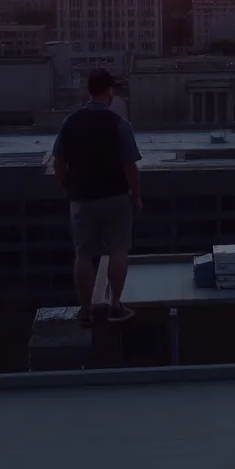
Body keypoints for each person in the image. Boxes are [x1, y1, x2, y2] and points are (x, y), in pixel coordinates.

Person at [51, 69, 142, 326]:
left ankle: (86, 310)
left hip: (81, 198)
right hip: (115, 196)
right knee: (118, 249)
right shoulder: (119, 124)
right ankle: (114, 305)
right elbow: (130, 168)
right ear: (109, 92)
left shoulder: (71, 122)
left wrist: (69, 186)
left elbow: (58, 163)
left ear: (88, 91)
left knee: (83, 254)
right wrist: (136, 197)